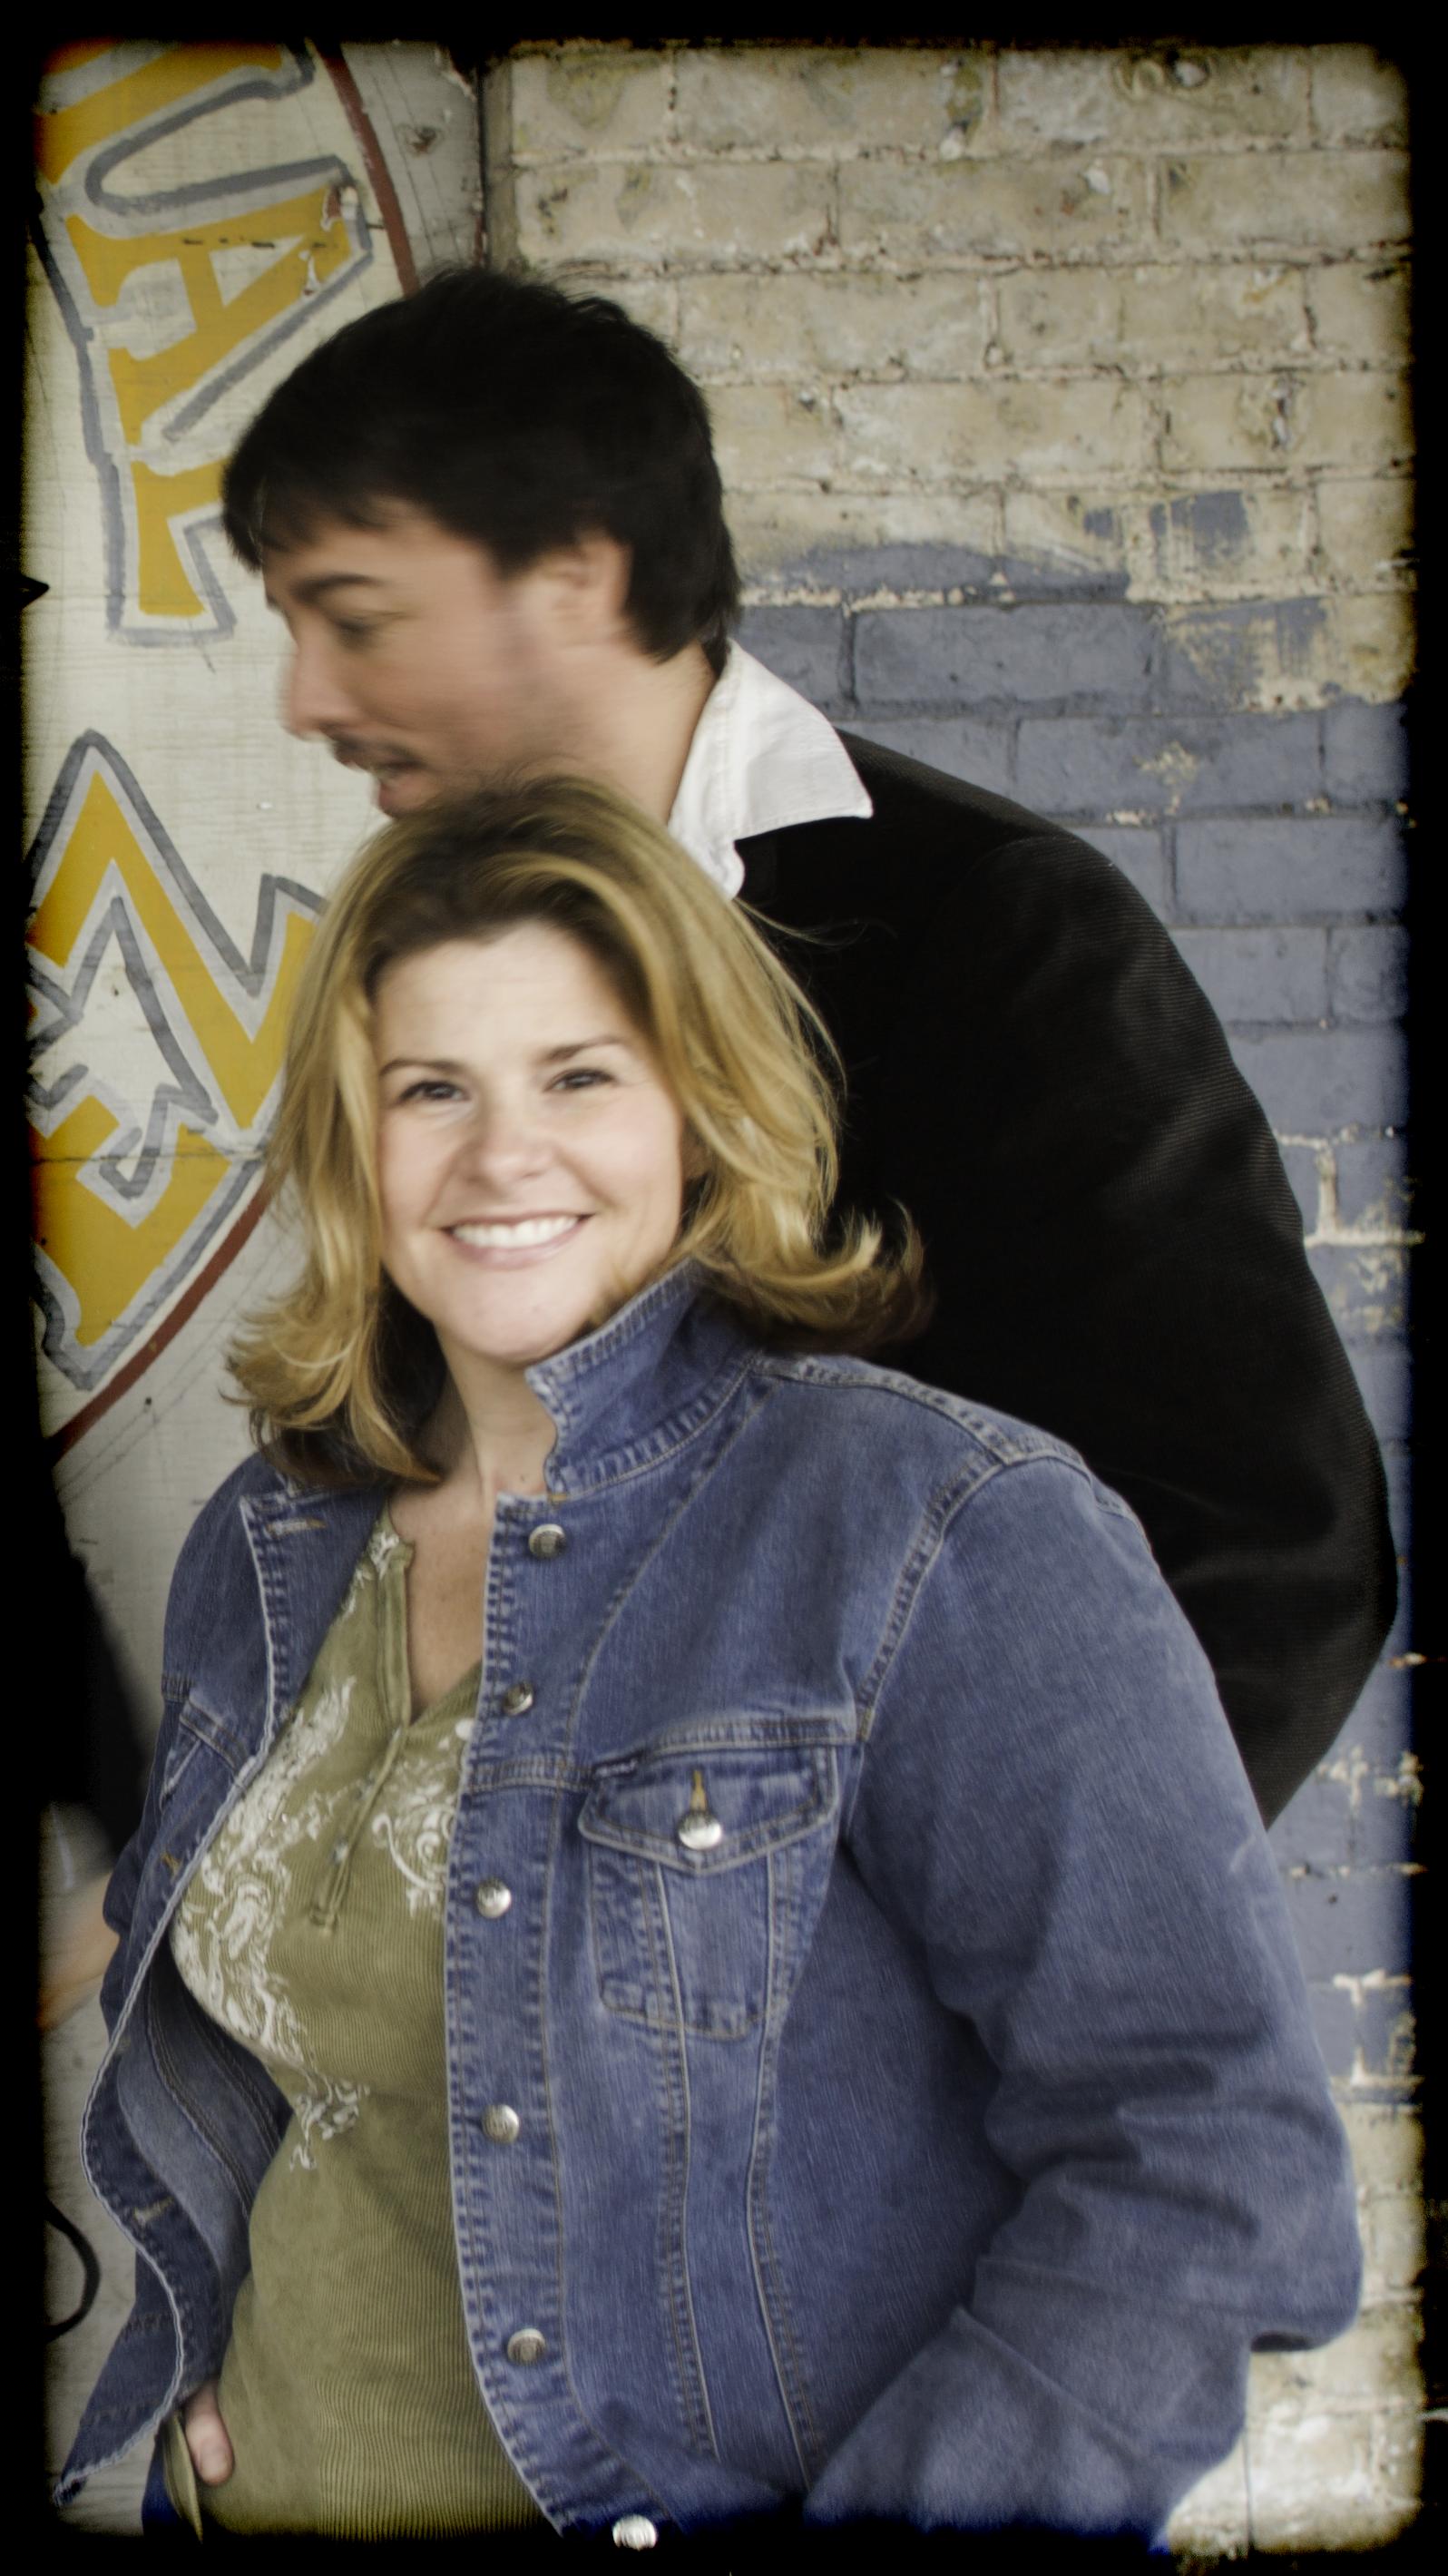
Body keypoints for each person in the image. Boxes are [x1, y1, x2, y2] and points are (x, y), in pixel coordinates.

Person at [59, 780, 1359, 2543]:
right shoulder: (274, 1539)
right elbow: (286, 2044)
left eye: (579, 1076)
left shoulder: (932, 1524)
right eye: (432, 1088)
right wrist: (213, 2355)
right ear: (355, 1142)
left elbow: (1212, 2168)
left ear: (701, 1108)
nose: (502, 1157)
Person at [217, 269, 1394, 1827]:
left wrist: (939, 1928)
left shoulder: (991, 928)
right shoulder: (408, 960)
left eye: (358, 621)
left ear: (576, 574)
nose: (307, 700)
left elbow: (1268, 1553)